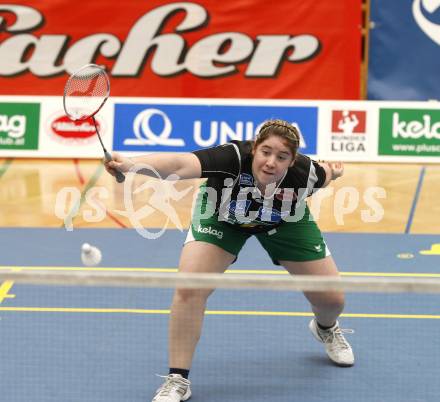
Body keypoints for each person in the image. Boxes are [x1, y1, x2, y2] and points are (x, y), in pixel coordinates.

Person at [104, 119, 354, 402]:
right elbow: (179, 164)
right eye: (266, 152)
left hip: (284, 221)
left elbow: (327, 174)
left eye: (281, 157)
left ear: (292, 160)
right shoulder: (232, 157)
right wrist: (131, 164)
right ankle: (178, 378)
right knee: (190, 288)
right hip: (223, 219)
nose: (271, 162)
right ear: (254, 149)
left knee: (333, 300)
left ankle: (325, 329)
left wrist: (334, 171)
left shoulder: (306, 173)